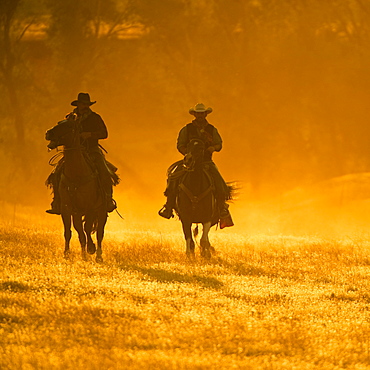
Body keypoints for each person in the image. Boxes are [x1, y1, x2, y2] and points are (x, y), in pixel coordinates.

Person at [158, 103, 233, 226]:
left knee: (220, 184)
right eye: (198, 113)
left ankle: (222, 209)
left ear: (205, 114)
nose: (200, 115)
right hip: (189, 162)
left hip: (206, 162)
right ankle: (169, 206)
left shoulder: (211, 129)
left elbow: (219, 144)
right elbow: (180, 144)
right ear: (195, 114)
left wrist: (213, 148)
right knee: (173, 179)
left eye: (202, 113)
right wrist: (187, 154)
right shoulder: (186, 129)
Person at [46, 92, 118, 214]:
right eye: (82, 104)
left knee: (105, 172)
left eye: (86, 104)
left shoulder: (95, 118)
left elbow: (104, 134)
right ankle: (57, 202)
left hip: (92, 150)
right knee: (56, 174)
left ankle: (107, 200)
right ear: (78, 104)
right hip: (73, 152)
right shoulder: (70, 118)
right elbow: (63, 132)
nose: (85, 106)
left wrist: (89, 134)